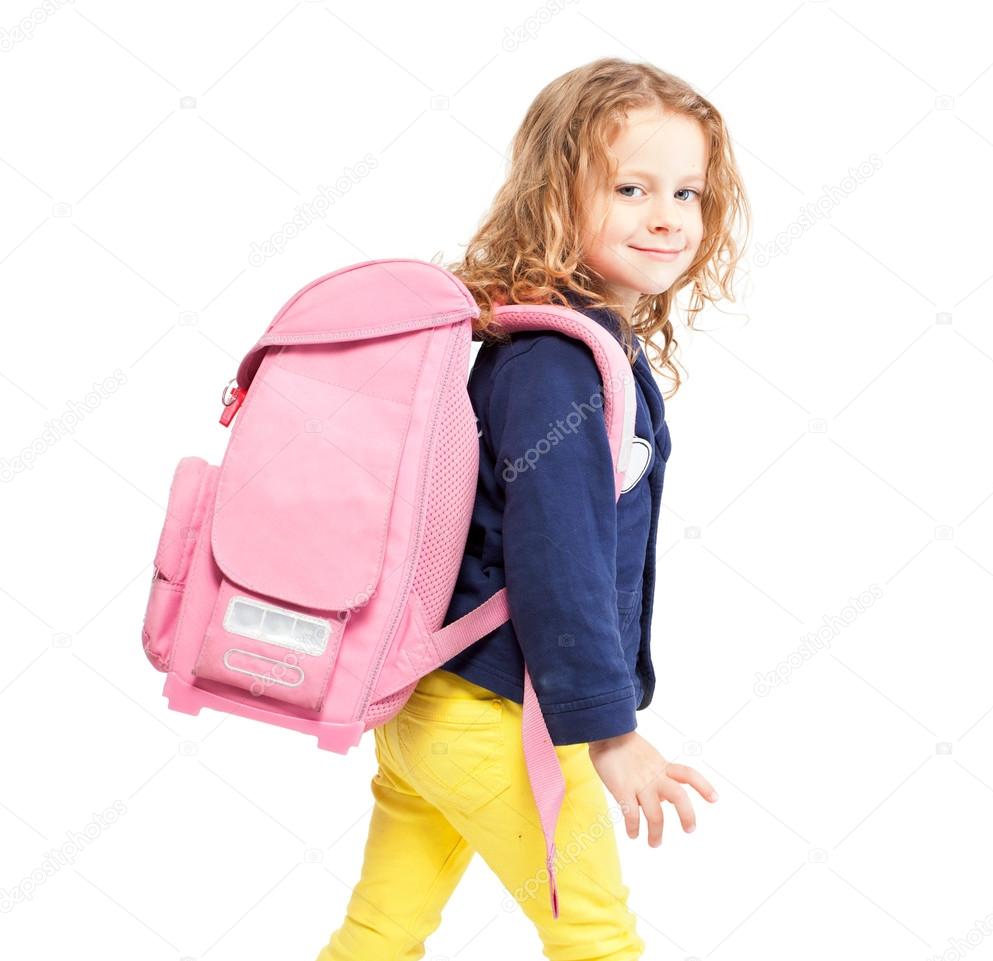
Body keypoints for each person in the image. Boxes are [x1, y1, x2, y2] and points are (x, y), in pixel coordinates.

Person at [315, 56, 750, 961]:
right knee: (596, 938)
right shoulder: (557, 368)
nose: (668, 215)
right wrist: (610, 730)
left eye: (689, 191)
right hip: (496, 720)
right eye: (630, 187)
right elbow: (558, 559)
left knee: (381, 932)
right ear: (558, 196)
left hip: (430, 710)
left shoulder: (561, 344)